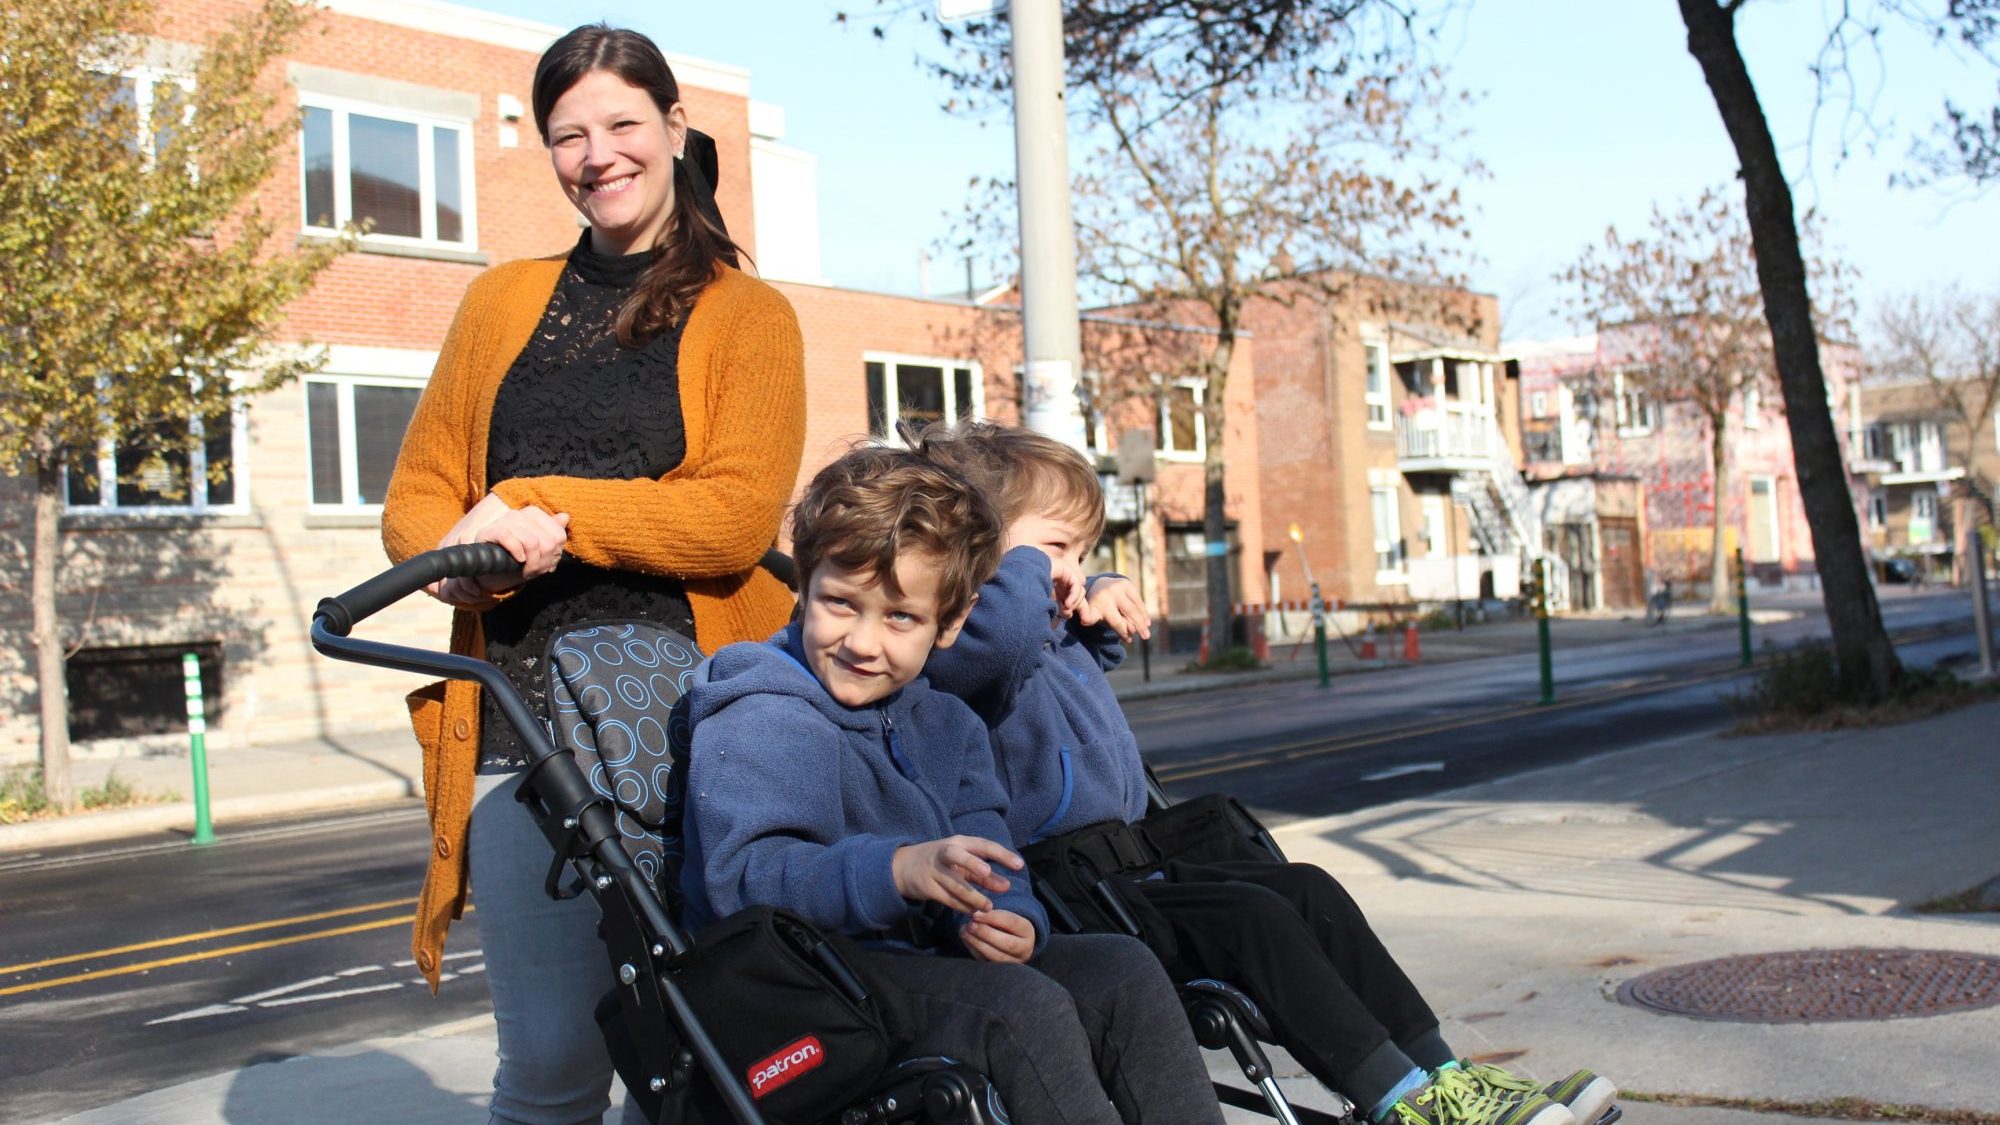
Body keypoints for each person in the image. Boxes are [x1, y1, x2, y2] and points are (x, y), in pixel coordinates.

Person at [917, 422, 1616, 1125]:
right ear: (978, 546)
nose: (1068, 568)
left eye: (1083, 550)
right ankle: (1398, 1100)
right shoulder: (960, 645)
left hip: (1133, 866)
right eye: (1055, 547)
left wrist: (1094, 591)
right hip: (1072, 896)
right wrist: (1032, 574)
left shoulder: (1046, 630)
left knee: (1308, 889)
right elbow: (1000, 645)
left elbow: (1069, 650)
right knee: (1252, 919)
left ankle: (1445, 1076)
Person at [379, 24, 805, 1125]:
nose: (595, 154)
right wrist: (455, 566)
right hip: (519, 719)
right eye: (568, 135)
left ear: (672, 127)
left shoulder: (746, 314)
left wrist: (537, 508)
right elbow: (417, 496)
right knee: (553, 1065)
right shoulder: (497, 304)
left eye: (620, 124)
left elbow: (728, 520)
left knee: (701, 1053)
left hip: (691, 725)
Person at [679, 445, 1225, 1125]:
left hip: (912, 962)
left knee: (1124, 969)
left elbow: (988, 844)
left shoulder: (947, 720)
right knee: (1020, 1009)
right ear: (803, 588)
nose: (863, 641)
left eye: (901, 617)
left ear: (951, 624)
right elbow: (748, 879)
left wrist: (1008, 915)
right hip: (803, 984)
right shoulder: (766, 707)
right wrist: (899, 869)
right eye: (840, 604)